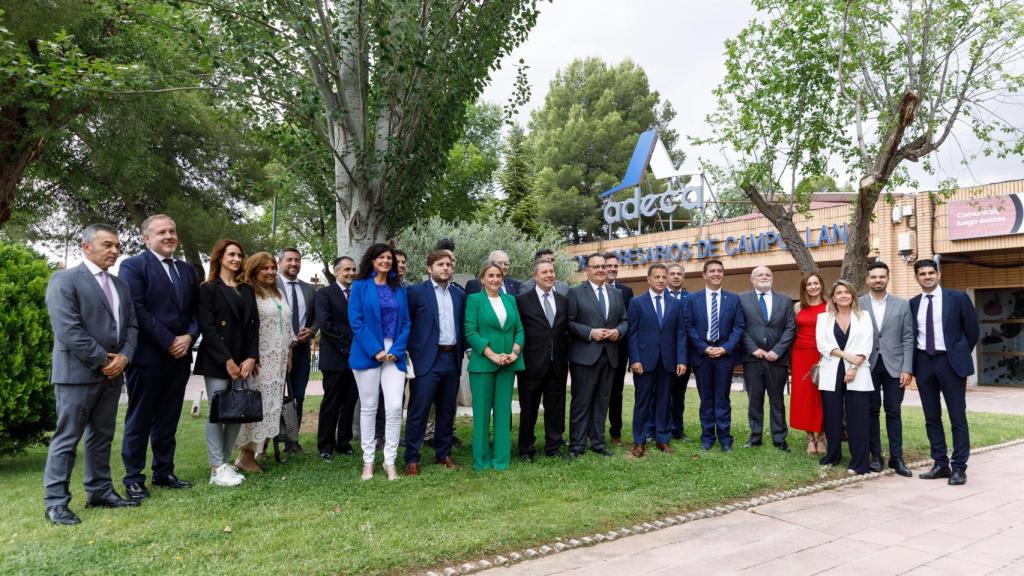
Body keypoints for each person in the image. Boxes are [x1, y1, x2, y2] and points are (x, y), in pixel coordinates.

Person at [43, 224, 140, 525]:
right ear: (86, 247)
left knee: (102, 437)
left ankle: (100, 491)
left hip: (112, 375)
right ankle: (56, 503)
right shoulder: (64, 280)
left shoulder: (120, 285)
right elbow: (68, 329)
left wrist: (124, 357)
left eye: (117, 246)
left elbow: (132, 327)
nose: (114, 251)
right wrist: (102, 359)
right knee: (67, 439)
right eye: (107, 245)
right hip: (77, 374)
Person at [118, 214, 199, 501]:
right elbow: (137, 310)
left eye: (172, 231)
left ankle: (164, 471)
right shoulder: (133, 266)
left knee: (168, 418)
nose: (168, 236)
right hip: (148, 356)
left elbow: (195, 311)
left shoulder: (187, 271)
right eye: (161, 232)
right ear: (147, 238)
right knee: (140, 418)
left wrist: (188, 337)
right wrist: (168, 341)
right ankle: (133, 478)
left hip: (179, 357)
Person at [194, 240, 259, 487]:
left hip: (244, 361)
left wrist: (252, 357)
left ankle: (224, 462)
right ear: (220, 257)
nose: (236, 259)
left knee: (237, 413)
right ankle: (216, 467)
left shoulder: (247, 289)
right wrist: (228, 360)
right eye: (231, 254)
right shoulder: (208, 288)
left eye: (240, 255)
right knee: (217, 412)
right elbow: (208, 328)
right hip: (217, 360)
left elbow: (254, 326)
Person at [909, 259, 979, 485]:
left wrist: (957, 354)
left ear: (938, 274)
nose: (927, 276)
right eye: (922, 273)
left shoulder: (957, 298)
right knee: (931, 417)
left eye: (931, 272)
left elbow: (972, 332)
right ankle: (940, 463)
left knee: (957, 416)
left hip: (951, 363)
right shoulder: (913, 303)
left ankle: (959, 467)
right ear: (916, 277)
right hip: (924, 363)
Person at [349, 243, 411, 481]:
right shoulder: (360, 286)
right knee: (369, 407)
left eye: (389, 258)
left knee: (395, 406)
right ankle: (368, 462)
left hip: (394, 352)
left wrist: (396, 349)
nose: (386, 261)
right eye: (381, 257)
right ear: (372, 260)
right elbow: (356, 321)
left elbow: (406, 323)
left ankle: (390, 461)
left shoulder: (399, 288)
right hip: (368, 351)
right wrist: (375, 350)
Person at [403, 249, 466, 475]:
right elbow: (406, 324)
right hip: (426, 359)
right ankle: (411, 458)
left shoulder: (459, 295)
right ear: (430, 268)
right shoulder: (415, 292)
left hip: (451, 358)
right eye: (440, 264)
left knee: (447, 411)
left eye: (448, 265)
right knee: (418, 411)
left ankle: (443, 454)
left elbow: (462, 327)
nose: (445, 268)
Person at [235, 252, 294, 472]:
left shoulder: (277, 292)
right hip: (258, 360)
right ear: (253, 270)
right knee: (254, 407)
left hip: (277, 361)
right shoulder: (248, 292)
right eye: (264, 268)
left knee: (271, 407)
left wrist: (288, 355)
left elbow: (286, 327)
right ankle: (245, 456)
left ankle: (259, 449)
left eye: (272, 268)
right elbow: (244, 327)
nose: (270, 272)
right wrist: (249, 357)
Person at [464, 259, 525, 470]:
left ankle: (501, 460)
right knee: (481, 414)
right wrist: (491, 355)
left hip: (508, 363)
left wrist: (515, 352)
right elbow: (471, 331)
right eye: (491, 275)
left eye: (498, 276)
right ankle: (481, 461)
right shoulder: (474, 300)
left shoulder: (510, 300)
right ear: (482, 279)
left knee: (502, 412)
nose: (495, 279)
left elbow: (519, 329)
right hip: (483, 364)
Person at [567, 253, 629, 458]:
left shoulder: (616, 293)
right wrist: (590, 332)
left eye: (603, 266)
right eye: (596, 267)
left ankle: (598, 442)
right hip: (585, 356)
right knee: (581, 402)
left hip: (609, 355)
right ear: (587, 270)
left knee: (602, 401)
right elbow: (569, 323)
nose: (601, 270)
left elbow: (624, 320)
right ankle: (577, 444)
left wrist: (618, 331)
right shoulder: (575, 293)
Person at [627, 264, 688, 456]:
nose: (661, 280)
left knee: (664, 402)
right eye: (657, 277)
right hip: (644, 361)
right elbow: (632, 334)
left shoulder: (676, 303)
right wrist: (634, 359)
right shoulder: (637, 303)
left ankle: (662, 439)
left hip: (668, 361)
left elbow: (681, 333)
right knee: (642, 402)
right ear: (649, 279)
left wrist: (681, 359)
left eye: (664, 277)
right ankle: (639, 441)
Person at [860, 261, 915, 477]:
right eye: (874, 277)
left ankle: (896, 457)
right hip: (868, 365)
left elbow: (908, 337)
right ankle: (875, 456)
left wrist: (907, 368)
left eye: (882, 276)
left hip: (896, 366)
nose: (878, 280)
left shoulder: (902, 305)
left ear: (888, 278)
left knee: (894, 411)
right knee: (871, 411)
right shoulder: (858, 303)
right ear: (867, 280)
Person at [816, 280, 874, 474]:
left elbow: (867, 344)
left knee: (858, 417)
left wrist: (853, 366)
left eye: (846, 292)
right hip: (831, 370)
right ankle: (833, 455)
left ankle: (860, 462)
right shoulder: (823, 318)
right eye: (838, 292)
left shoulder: (863, 316)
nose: (843, 295)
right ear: (833, 297)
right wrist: (845, 356)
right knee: (832, 416)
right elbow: (822, 345)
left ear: (853, 296)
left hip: (858, 371)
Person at [686, 260, 745, 451]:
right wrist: (703, 347)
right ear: (704, 275)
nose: (716, 274)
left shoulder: (734, 299)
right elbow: (689, 327)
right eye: (712, 271)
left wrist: (726, 348)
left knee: (722, 398)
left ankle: (725, 439)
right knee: (706, 399)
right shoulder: (692, 299)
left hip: (724, 356)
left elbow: (738, 327)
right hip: (702, 356)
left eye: (720, 271)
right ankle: (707, 438)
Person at [515, 258, 571, 460]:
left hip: (557, 364)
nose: (550, 275)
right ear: (535, 276)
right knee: (528, 409)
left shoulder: (563, 300)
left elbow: (565, 331)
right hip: (531, 365)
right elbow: (518, 330)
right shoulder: (522, 300)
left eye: (552, 271)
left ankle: (553, 447)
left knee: (555, 408)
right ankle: (526, 449)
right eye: (545, 272)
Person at [739, 265, 797, 452]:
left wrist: (777, 350)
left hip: (776, 360)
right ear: (752, 278)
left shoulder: (785, 300)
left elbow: (790, 328)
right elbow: (740, 327)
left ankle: (779, 438)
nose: (764, 277)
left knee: (777, 400)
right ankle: (755, 437)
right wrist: (753, 349)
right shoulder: (741, 299)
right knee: (754, 399)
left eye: (768, 274)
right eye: (760, 275)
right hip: (753, 359)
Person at [314, 256, 359, 461]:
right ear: (336, 271)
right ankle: (325, 444)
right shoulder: (324, 294)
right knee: (331, 402)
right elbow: (326, 324)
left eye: (353, 269)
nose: (351, 273)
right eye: (347, 270)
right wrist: (347, 347)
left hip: (357, 358)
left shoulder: (358, 293)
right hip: (334, 357)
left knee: (350, 402)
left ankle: (343, 441)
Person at [276, 248, 318, 453]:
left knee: (296, 397)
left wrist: (312, 330)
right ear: (280, 262)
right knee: (272, 396)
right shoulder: (269, 284)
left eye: (297, 260)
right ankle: (266, 441)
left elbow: (318, 316)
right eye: (289, 260)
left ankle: (291, 440)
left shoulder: (309, 289)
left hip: (301, 350)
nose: (294, 263)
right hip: (274, 349)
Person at [790, 273, 828, 454]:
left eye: (816, 283)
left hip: (822, 354)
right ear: (804, 288)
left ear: (821, 285)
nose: (813, 287)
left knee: (820, 396)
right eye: (809, 284)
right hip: (800, 355)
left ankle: (821, 436)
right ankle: (810, 438)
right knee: (804, 396)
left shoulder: (830, 306)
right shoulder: (798, 307)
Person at [603, 252, 634, 447]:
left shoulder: (626, 291)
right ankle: (591, 431)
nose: (613, 269)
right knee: (594, 392)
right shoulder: (586, 291)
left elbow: (629, 322)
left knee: (616, 393)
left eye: (615, 266)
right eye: (609, 266)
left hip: (619, 351)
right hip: (595, 349)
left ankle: (616, 433)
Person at [663, 262, 691, 442]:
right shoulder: (657, 296)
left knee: (679, 395)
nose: (675, 277)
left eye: (678, 274)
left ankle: (677, 430)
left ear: (683, 277)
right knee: (659, 394)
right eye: (671, 274)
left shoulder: (692, 298)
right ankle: (656, 428)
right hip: (661, 354)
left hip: (684, 354)